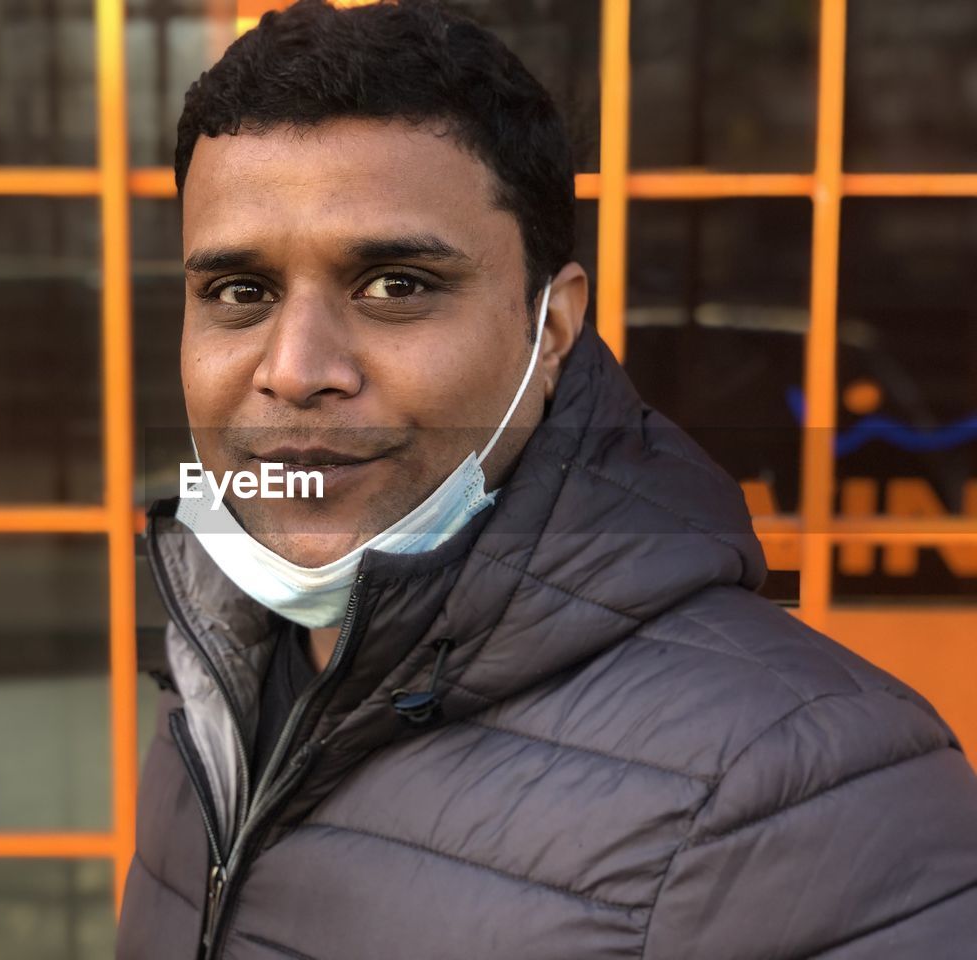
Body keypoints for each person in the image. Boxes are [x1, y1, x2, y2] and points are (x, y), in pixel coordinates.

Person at [116, 1, 977, 957]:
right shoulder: (221, 672)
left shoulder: (814, 795)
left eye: (396, 285)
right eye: (240, 293)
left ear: (553, 329)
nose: (296, 366)